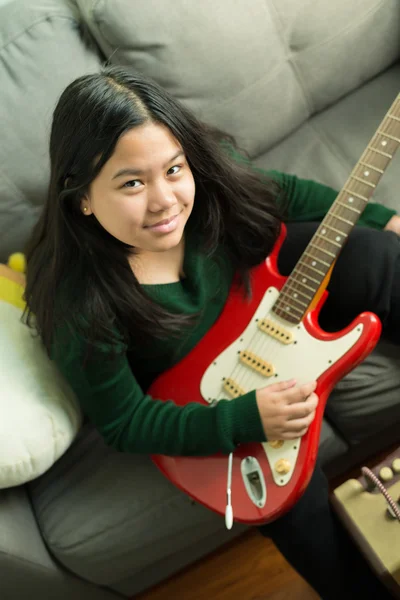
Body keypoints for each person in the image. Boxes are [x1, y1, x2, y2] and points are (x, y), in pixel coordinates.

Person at [23, 65, 400, 599]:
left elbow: (284, 194)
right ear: (81, 197)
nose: (164, 201)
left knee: (374, 254)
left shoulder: (202, 178)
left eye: (173, 170)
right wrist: (240, 418)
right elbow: (126, 422)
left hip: (254, 292)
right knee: (289, 505)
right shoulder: (77, 305)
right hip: (206, 383)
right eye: (132, 182)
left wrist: (385, 218)